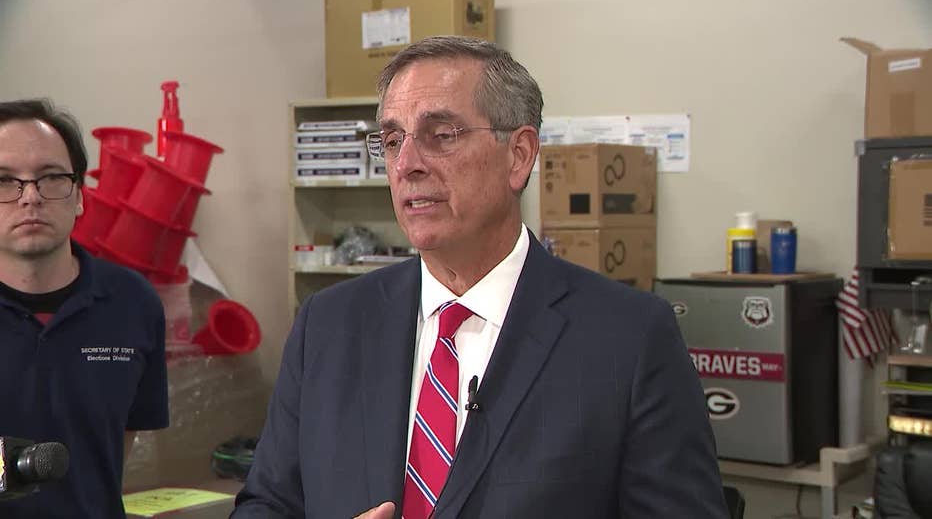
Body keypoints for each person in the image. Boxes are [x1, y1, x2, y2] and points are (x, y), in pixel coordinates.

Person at [234, 36, 728, 518]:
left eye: (441, 135)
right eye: (390, 141)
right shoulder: (328, 325)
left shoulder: (629, 337)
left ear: (518, 156)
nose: (406, 165)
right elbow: (267, 504)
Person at [0, 99, 169, 518]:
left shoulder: (133, 304)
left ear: (79, 195)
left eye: (51, 177)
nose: (31, 198)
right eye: (4, 181)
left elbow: (117, 441)